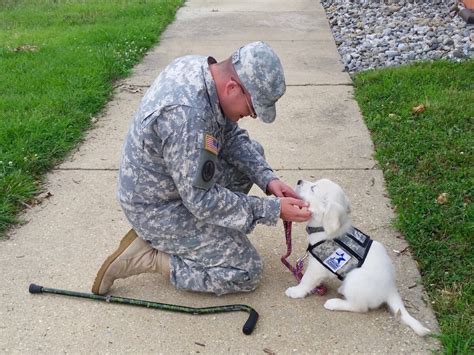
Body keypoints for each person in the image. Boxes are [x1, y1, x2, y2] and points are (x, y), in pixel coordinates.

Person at [91, 41, 311, 296]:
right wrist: (272, 210)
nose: (251, 116)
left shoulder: (203, 71)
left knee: (253, 156)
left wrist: (268, 180)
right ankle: (150, 255)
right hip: (157, 209)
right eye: (252, 109)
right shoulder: (187, 118)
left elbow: (229, 136)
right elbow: (201, 201)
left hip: (177, 187)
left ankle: (205, 237)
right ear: (232, 87)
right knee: (245, 271)